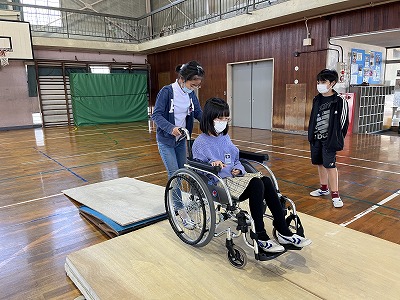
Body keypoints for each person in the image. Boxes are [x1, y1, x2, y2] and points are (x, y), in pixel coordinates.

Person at [192, 97, 311, 253]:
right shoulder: (200, 143)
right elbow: (197, 169)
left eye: (226, 118)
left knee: (266, 181)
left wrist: (239, 169)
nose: (223, 122)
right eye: (220, 118)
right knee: (257, 184)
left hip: (236, 179)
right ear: (209, 118)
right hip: (219, 183)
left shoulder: (225, 138)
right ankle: (260, 236)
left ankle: (284, 232)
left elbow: (236, 159)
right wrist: (211, 165)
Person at [152, 60, 204, 228]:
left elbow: (198, 113)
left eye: (198, 84)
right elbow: (156, 115)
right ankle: (179, 209)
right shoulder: (167, 92)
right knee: (174, 174)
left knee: (184, 172)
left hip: (181, 140)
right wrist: (171, 128)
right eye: (192, 83)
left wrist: (212, 124)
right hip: (166, 140)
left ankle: (187, 201)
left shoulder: (191, 95)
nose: (195, 87)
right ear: (182, 79)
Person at [308, 69, 349, 208]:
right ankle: (324, 188)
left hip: (329, 139)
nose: (320, 84)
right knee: (319, 163)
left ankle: (335, 194)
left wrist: (336, 138)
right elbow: (313, 118)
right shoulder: (316, 99)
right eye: (319, 82)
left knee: (330, 166)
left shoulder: (339, 100)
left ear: (332, 83)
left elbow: (344, 122)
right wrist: (311, 135)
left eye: (323, 82)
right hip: (316, 138)